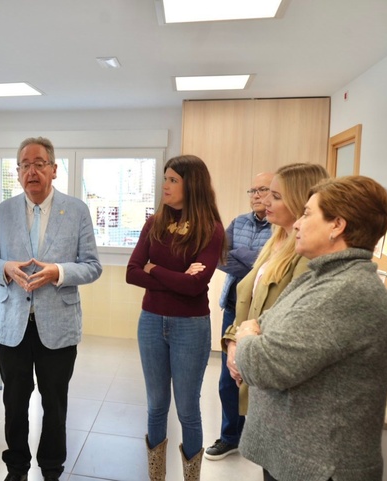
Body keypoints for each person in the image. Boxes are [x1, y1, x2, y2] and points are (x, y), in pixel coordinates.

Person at [235, 175, 387, 481]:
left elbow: (265, 365)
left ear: (337, 226)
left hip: (319, 468)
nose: (296, 224)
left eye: (306, 214)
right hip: (296, 460)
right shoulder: (321, 277)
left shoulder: (345, 291)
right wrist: (253, 332)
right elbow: (264, 323)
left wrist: (245, 337)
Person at [0, 136, 102, 481]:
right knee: (14, 404)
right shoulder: (4, 212)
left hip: (58, 325)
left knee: (55, 404)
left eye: (39, 164)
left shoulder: (76, 210)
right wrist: (5, 268)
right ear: (17, 173)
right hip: (13, 324)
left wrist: (58, 272)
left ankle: (51, 470)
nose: (32, 171)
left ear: (54, 169)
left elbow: (92, 266)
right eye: (25, 165)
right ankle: (16, 468)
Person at [126, 154, 226, 481]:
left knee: (187, 409)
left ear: (190, 185)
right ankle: (156, 477)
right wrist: (177, 277)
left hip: (191, 327)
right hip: (152, 321)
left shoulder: (210, 229)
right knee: (156, 406)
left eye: (173, 180)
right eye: (165, 179)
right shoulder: (153, 224)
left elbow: (196, 284)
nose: (165, 185)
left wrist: (154, 268)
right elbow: (132, 272)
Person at [222, 163, 329, 416]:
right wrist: (233, 342)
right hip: (252, 354)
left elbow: (288, 321)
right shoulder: (276, 239)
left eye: (275, 195)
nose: (264, 200)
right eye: (261, 192)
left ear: (301, 201)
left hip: (269, 363)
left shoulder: (305, 254)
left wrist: (243, 342)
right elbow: (223, 258)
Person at [205, 172, 274, 461]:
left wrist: (244, 256)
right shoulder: (239, 222)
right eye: (253, 190)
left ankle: (260, 439)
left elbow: (274, 268)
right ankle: (231, 436)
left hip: (266, 311)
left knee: (259, 379)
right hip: (235, 307)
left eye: (263, 190)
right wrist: (255, 260)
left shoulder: (282, 226)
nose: (256, 195)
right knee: (227, 378)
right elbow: (221, 258)